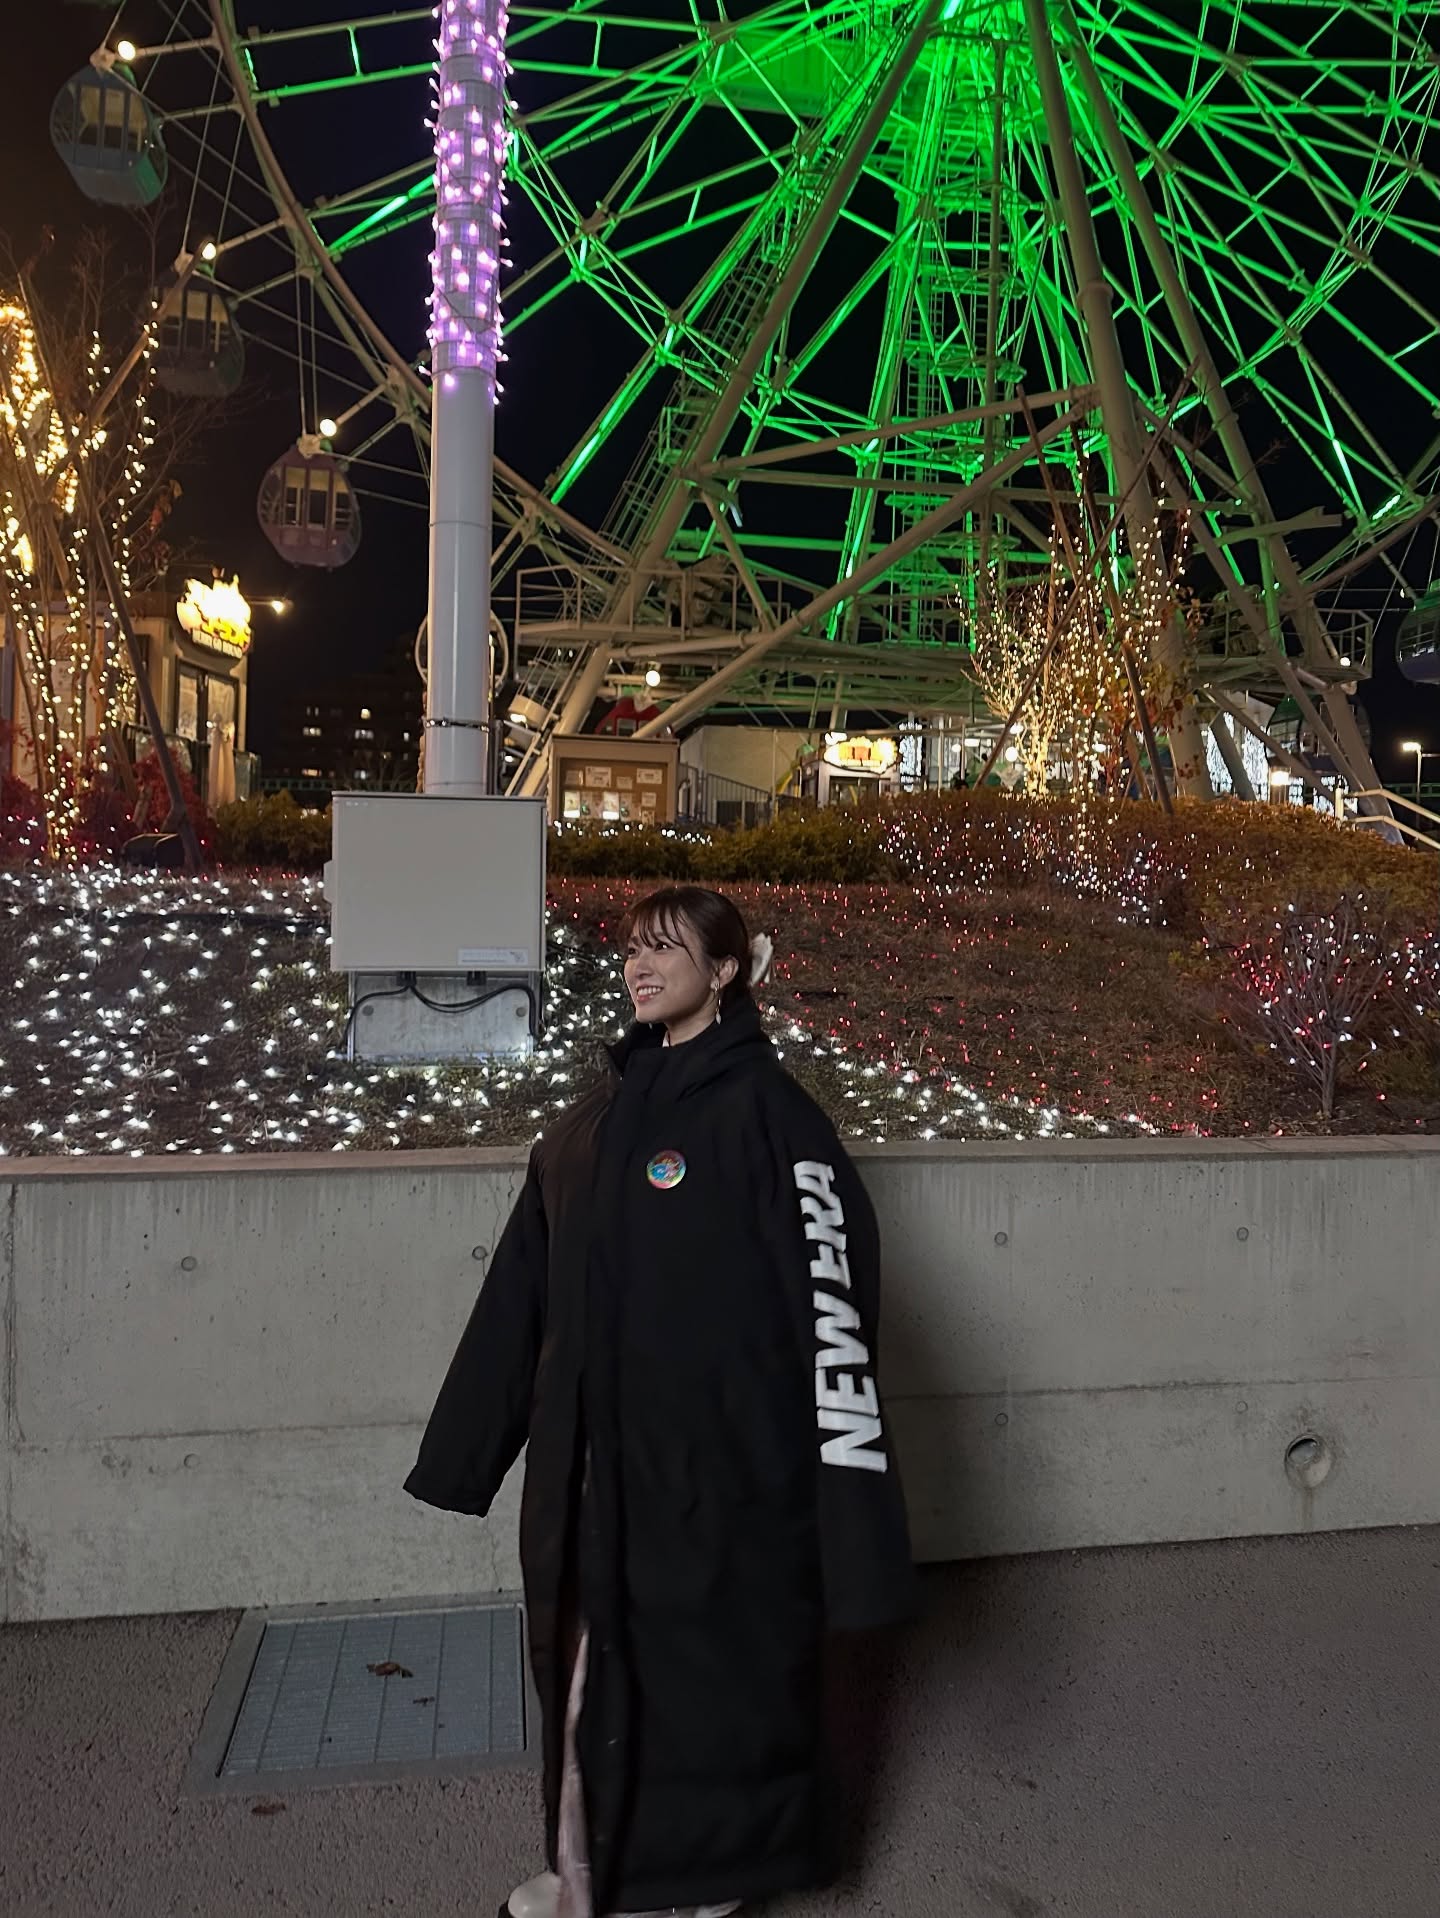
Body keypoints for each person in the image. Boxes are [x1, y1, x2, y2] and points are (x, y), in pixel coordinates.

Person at [404, 885, 917, 1918]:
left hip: (721, 1471)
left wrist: (854, 1517)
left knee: (704, 1683)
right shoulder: (594, 1121)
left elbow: (834, 1312)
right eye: (633, 950)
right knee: (585, 1672)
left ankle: (696, 1883)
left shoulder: (772, 1119)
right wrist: (468, 1449)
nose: (640, 967)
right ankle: (591, 1866)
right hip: (590, 1469)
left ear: (725, 971)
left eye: (666, 950)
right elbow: (522, 1290)